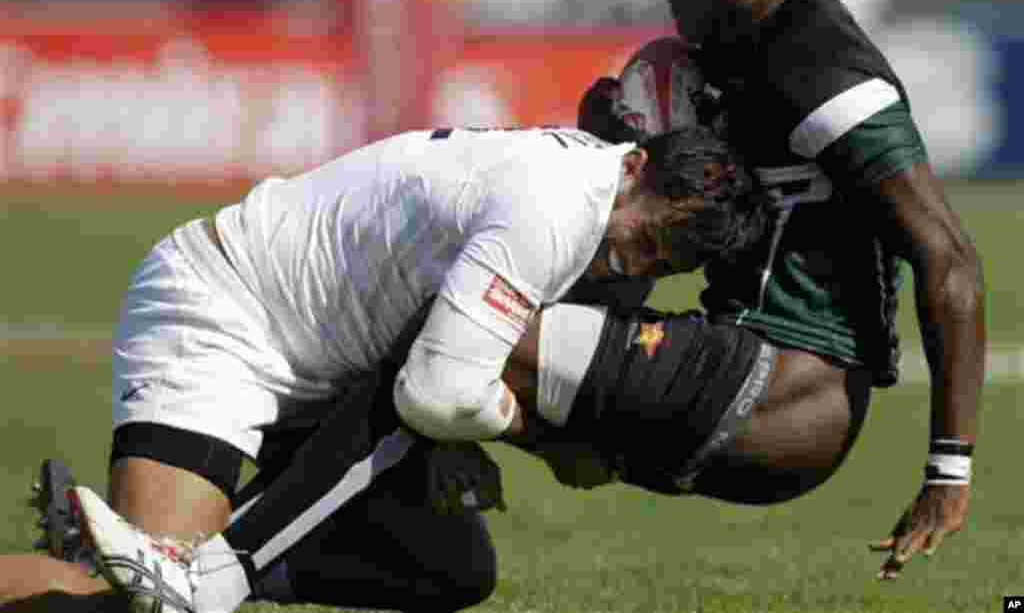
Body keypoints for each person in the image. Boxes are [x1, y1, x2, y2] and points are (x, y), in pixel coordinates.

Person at [0, 123, 762, 613]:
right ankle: (136, 560)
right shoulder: (553, 207)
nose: (641, 263)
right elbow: (433, 392)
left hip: (334, 370)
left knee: (449, 569)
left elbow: (441, 351)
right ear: (635, 167)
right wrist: (529, 431)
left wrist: (463, 432)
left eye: (669, 263)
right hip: (226, 318)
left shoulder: (595, 206)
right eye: (653, 235)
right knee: (154, 602)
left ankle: (152, 548)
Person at [577, 0, 986, 581]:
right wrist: (620, 159)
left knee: (486, 340)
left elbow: (950, 260)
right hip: (734, 368)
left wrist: (947, 475)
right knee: (488, 357)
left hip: (787, 395)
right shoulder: (735, 59)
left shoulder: (823, 68)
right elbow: (653, 253)